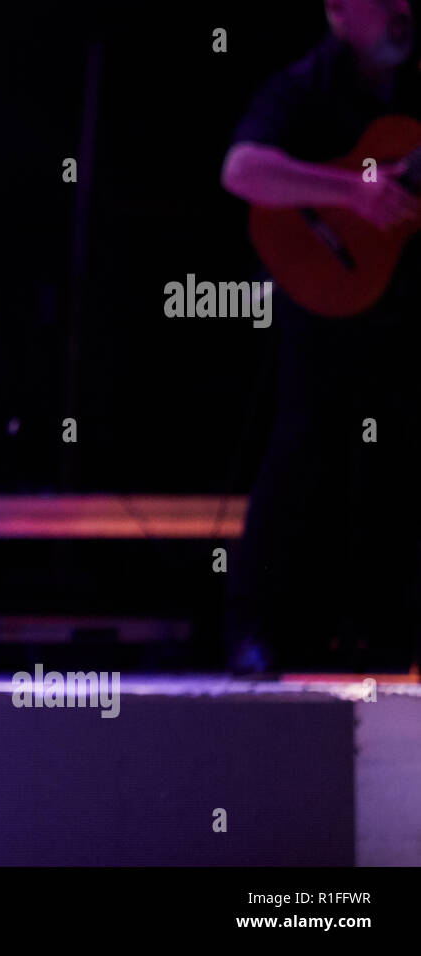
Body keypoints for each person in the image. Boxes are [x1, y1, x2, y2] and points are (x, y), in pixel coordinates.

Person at [220, 0, 421, 673]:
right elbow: (242, 170)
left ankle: (387, 632)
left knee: (395, 460)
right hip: (324, 294)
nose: (400, 10)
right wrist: (350, 193)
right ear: (339, 10)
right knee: (302, 449)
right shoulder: (304, 84)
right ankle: (258, 629)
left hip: (403, 301)